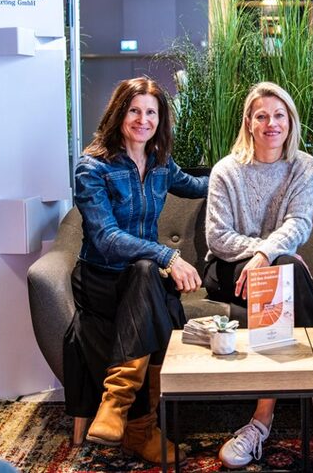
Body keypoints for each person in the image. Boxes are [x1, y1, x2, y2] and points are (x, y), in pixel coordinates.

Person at [203, 82, 313, 469]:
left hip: (272, 269)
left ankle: (261, 422)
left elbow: (299, 223)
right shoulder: (226, 170)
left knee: (282, 273)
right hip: (228, 270)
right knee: (285, 269)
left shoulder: (304, 166)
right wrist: (265, 252)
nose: (271, 123)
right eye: (261, 115)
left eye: (279, 115)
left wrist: (267, 254)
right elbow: (218, 237)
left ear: (290, 121)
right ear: (248, 122)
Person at [63, 77, 207, 464]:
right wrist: (169, 257)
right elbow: (107, 237)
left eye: (151, 113)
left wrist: (245, 169)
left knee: (146, 274)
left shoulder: (161, 164)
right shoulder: (92, 167)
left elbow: (199, 185)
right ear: (118, 113)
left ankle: (121, 409)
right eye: (134, 110)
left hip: (140, 278)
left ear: (160, 120)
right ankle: (139, 424)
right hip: (102, 280)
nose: (143, 120)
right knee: (148, 271)